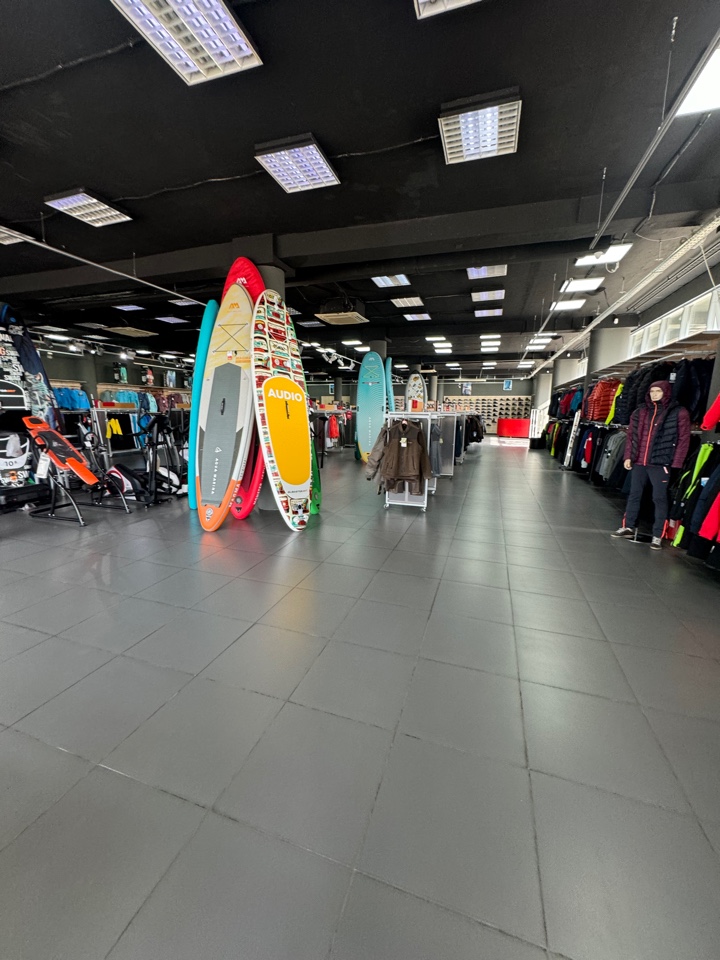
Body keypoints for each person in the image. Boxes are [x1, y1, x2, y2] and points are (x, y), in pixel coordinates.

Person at [612, 380, 690, 549]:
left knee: (659, 498)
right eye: (652, 391)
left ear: (666, 392)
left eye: (658, 391)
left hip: (661, 462)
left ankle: (657, 535)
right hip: (639, 461)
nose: (654, 394)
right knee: (634, 494)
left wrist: (677, 463)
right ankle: (628, 526)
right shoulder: (640, 412)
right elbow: (631, 436)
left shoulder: (678, 412)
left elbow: (684, 439)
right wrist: (628, 457)